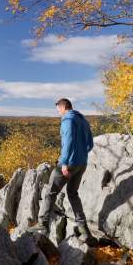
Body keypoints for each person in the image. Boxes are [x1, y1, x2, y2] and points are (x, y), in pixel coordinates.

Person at [33, 98, 95, 242]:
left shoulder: (68, 119)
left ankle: (42, 224)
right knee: (73, 194)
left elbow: (68, 141)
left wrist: (65, 162)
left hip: (69, 163)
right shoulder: (83, 120)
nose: (58, 113)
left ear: (63, 107)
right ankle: (84, 230)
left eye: (58, 109)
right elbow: (90, 144)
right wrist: (81, 154)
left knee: (50, 192)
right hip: (82, 163)